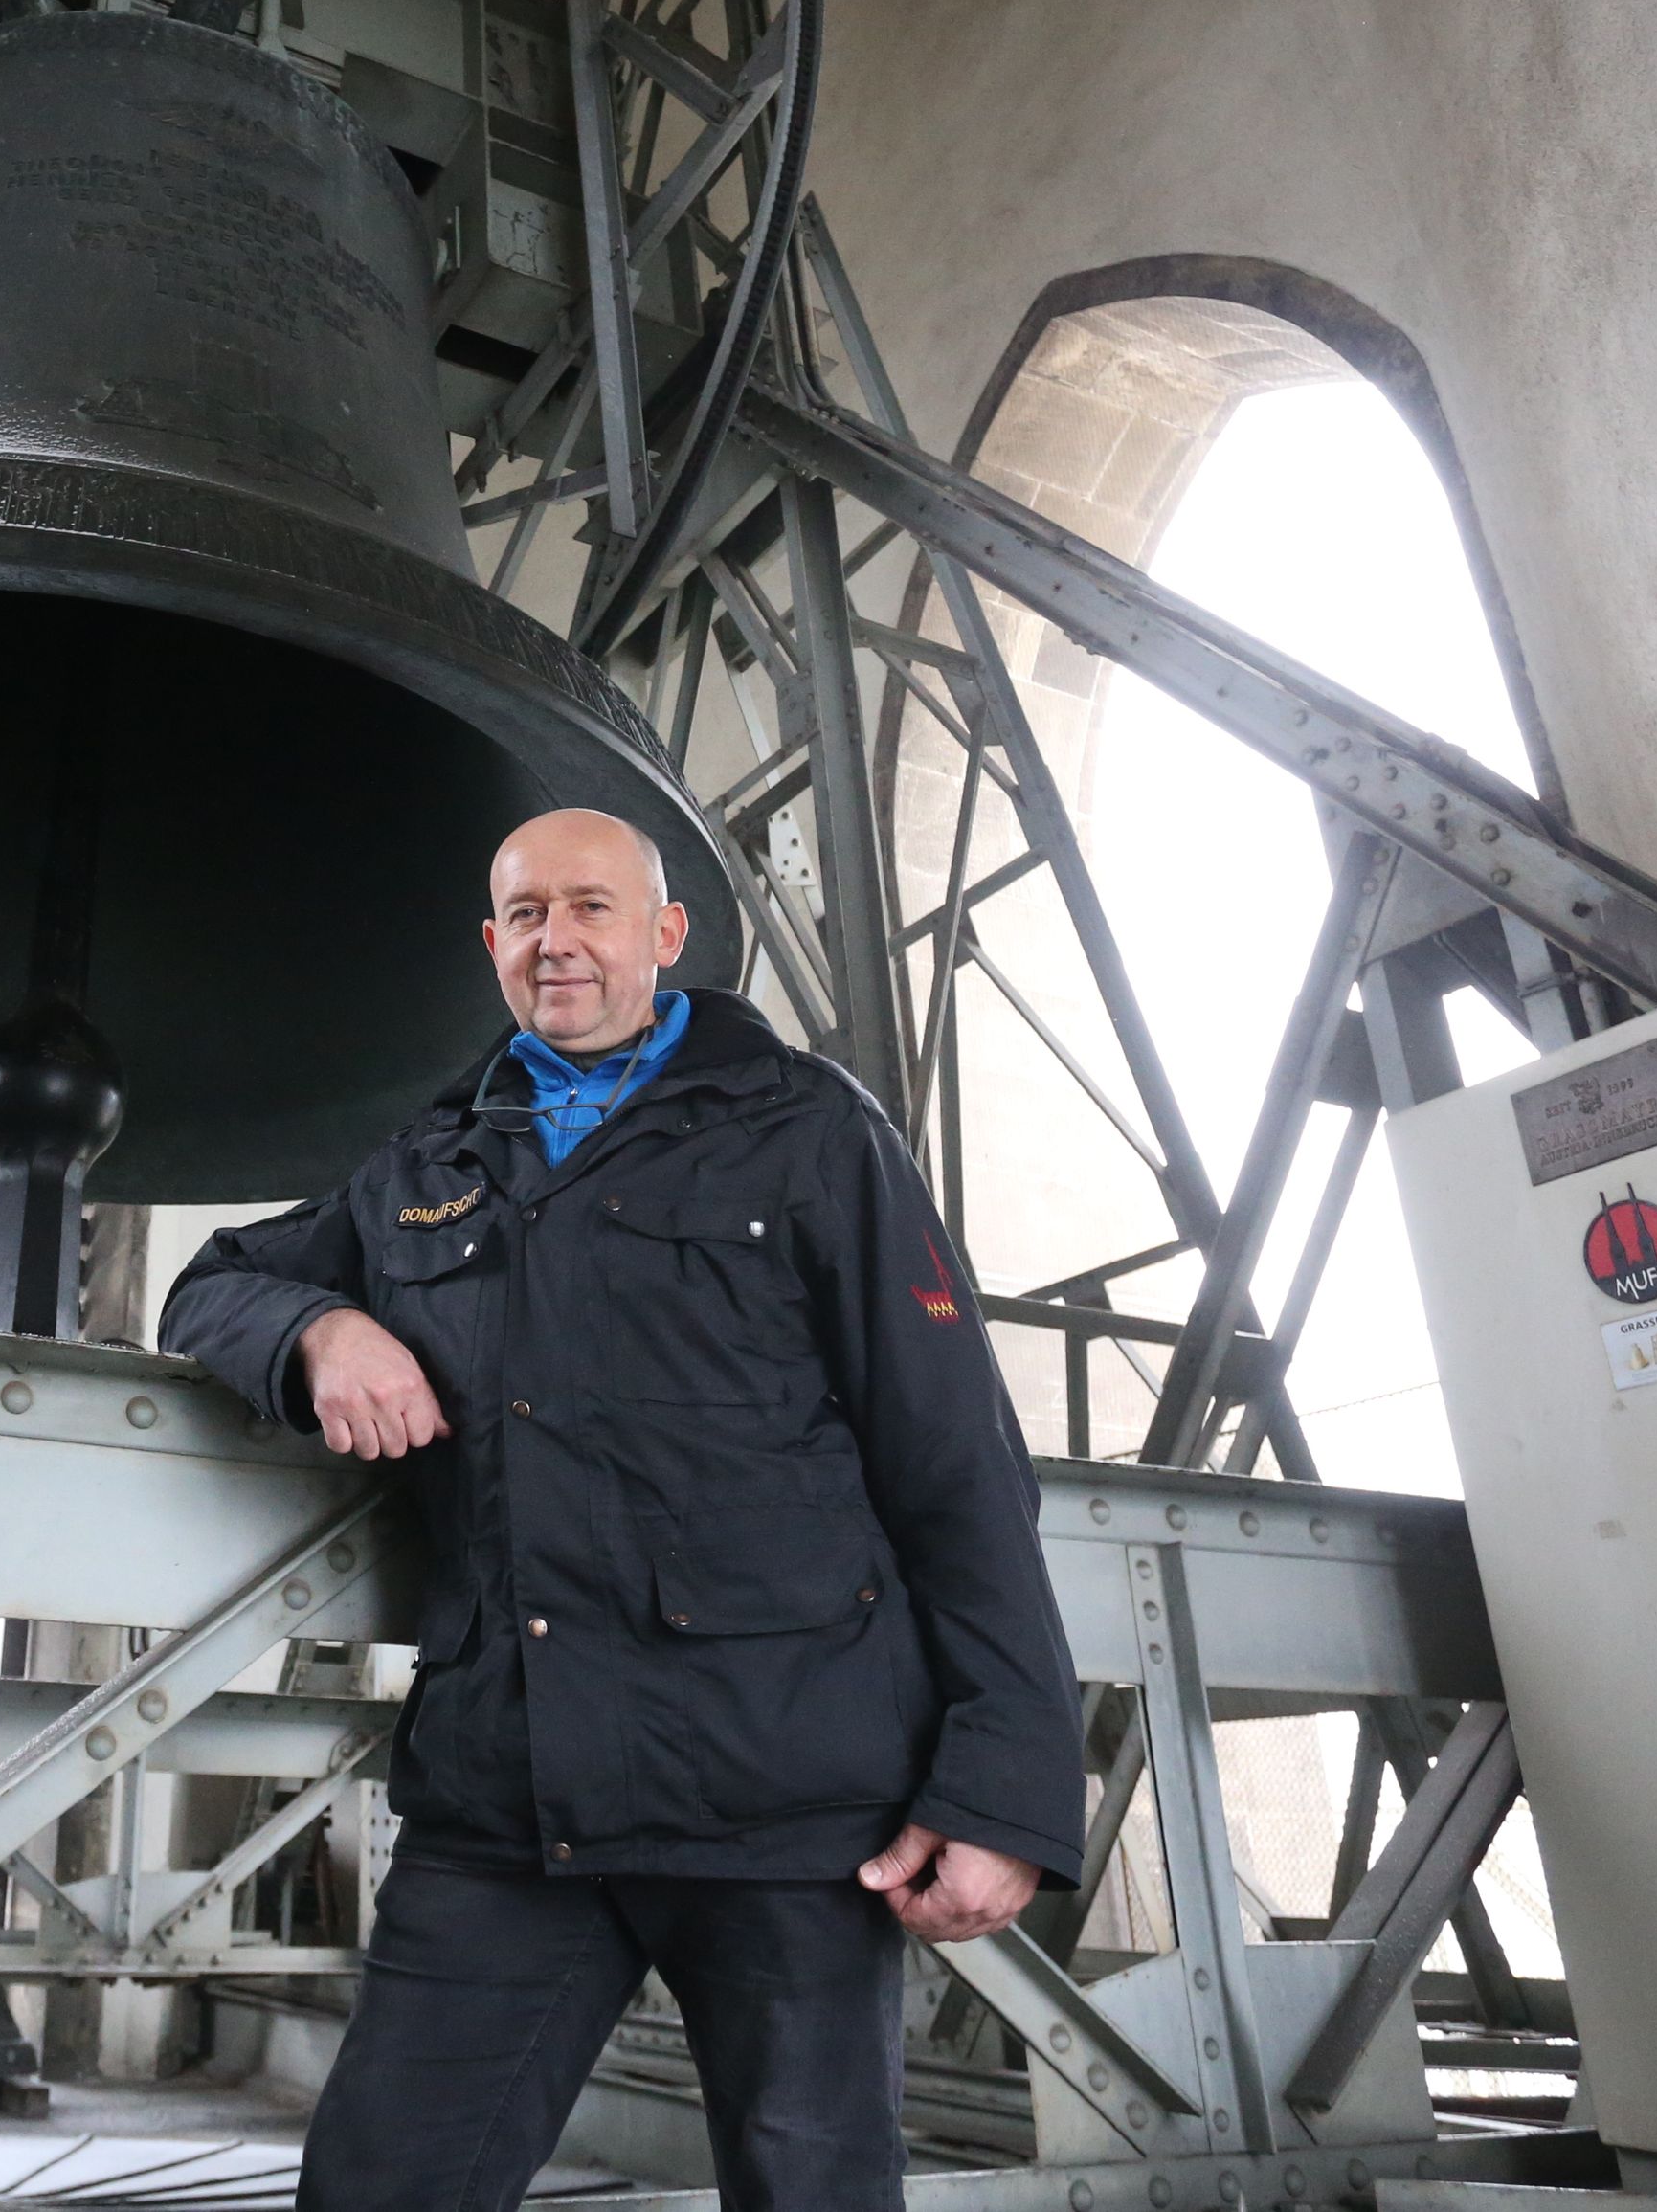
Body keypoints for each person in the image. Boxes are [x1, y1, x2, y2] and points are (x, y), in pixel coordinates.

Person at [159, 807, 1084, 2211]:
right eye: (526, 915)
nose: (557, 941)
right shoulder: (424, 1162)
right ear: (493, 945)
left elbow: (955, 1462)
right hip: (508, 1793)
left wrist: (1007, 1788)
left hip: (786, 1798)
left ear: (664, 938)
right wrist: (321, 1334)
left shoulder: (809, 1130)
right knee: (377, 2189)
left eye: (592, 909)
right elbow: (209, 1283)